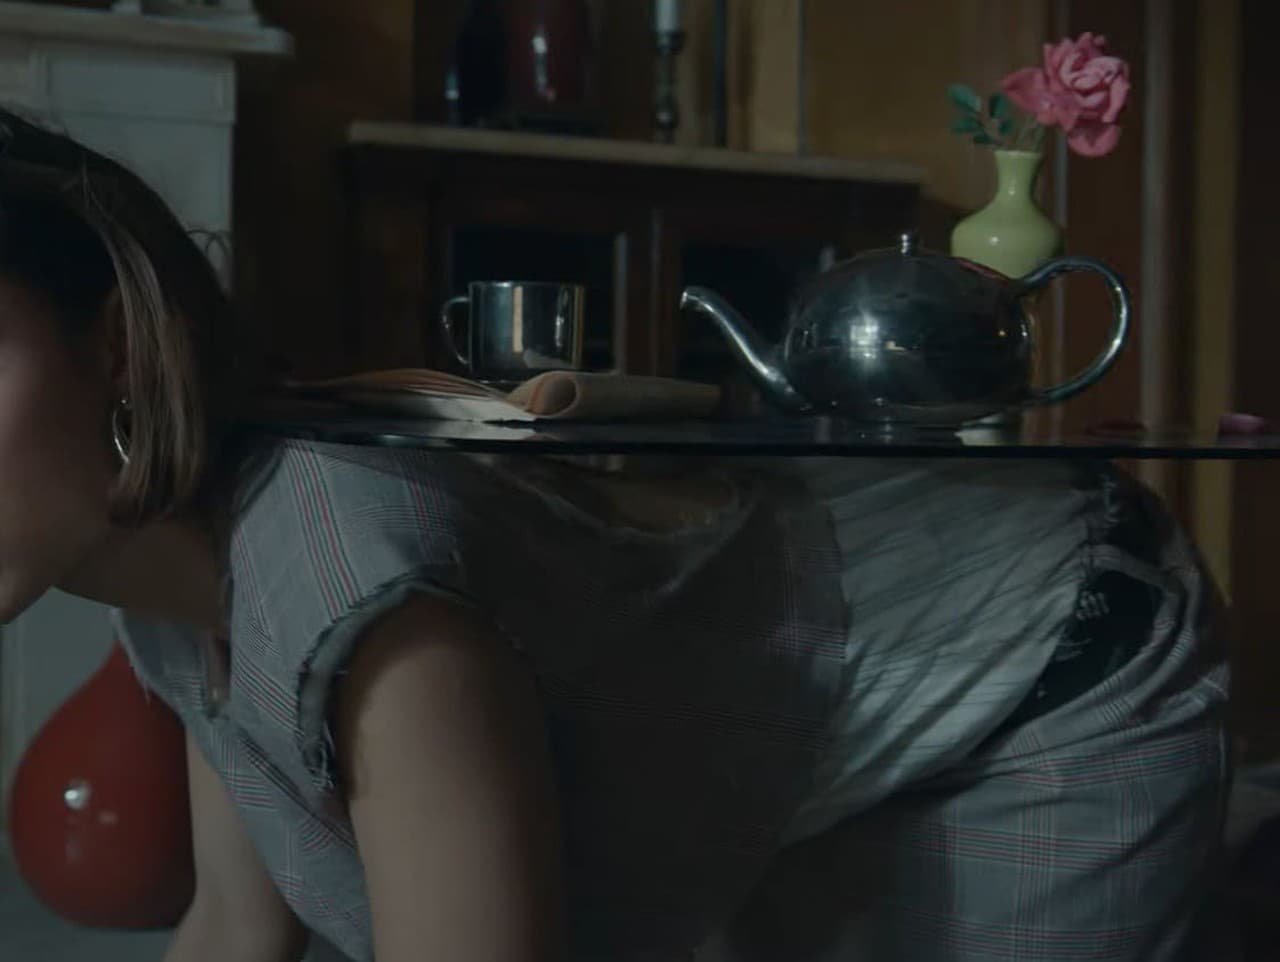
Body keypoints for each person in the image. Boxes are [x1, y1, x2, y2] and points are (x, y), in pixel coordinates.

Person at [0, 109, 1230, 962]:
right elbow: (234, 927)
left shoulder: (353, 582)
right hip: (795, 671)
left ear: (119, 344)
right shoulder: (168, 574)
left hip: (1053, 643)